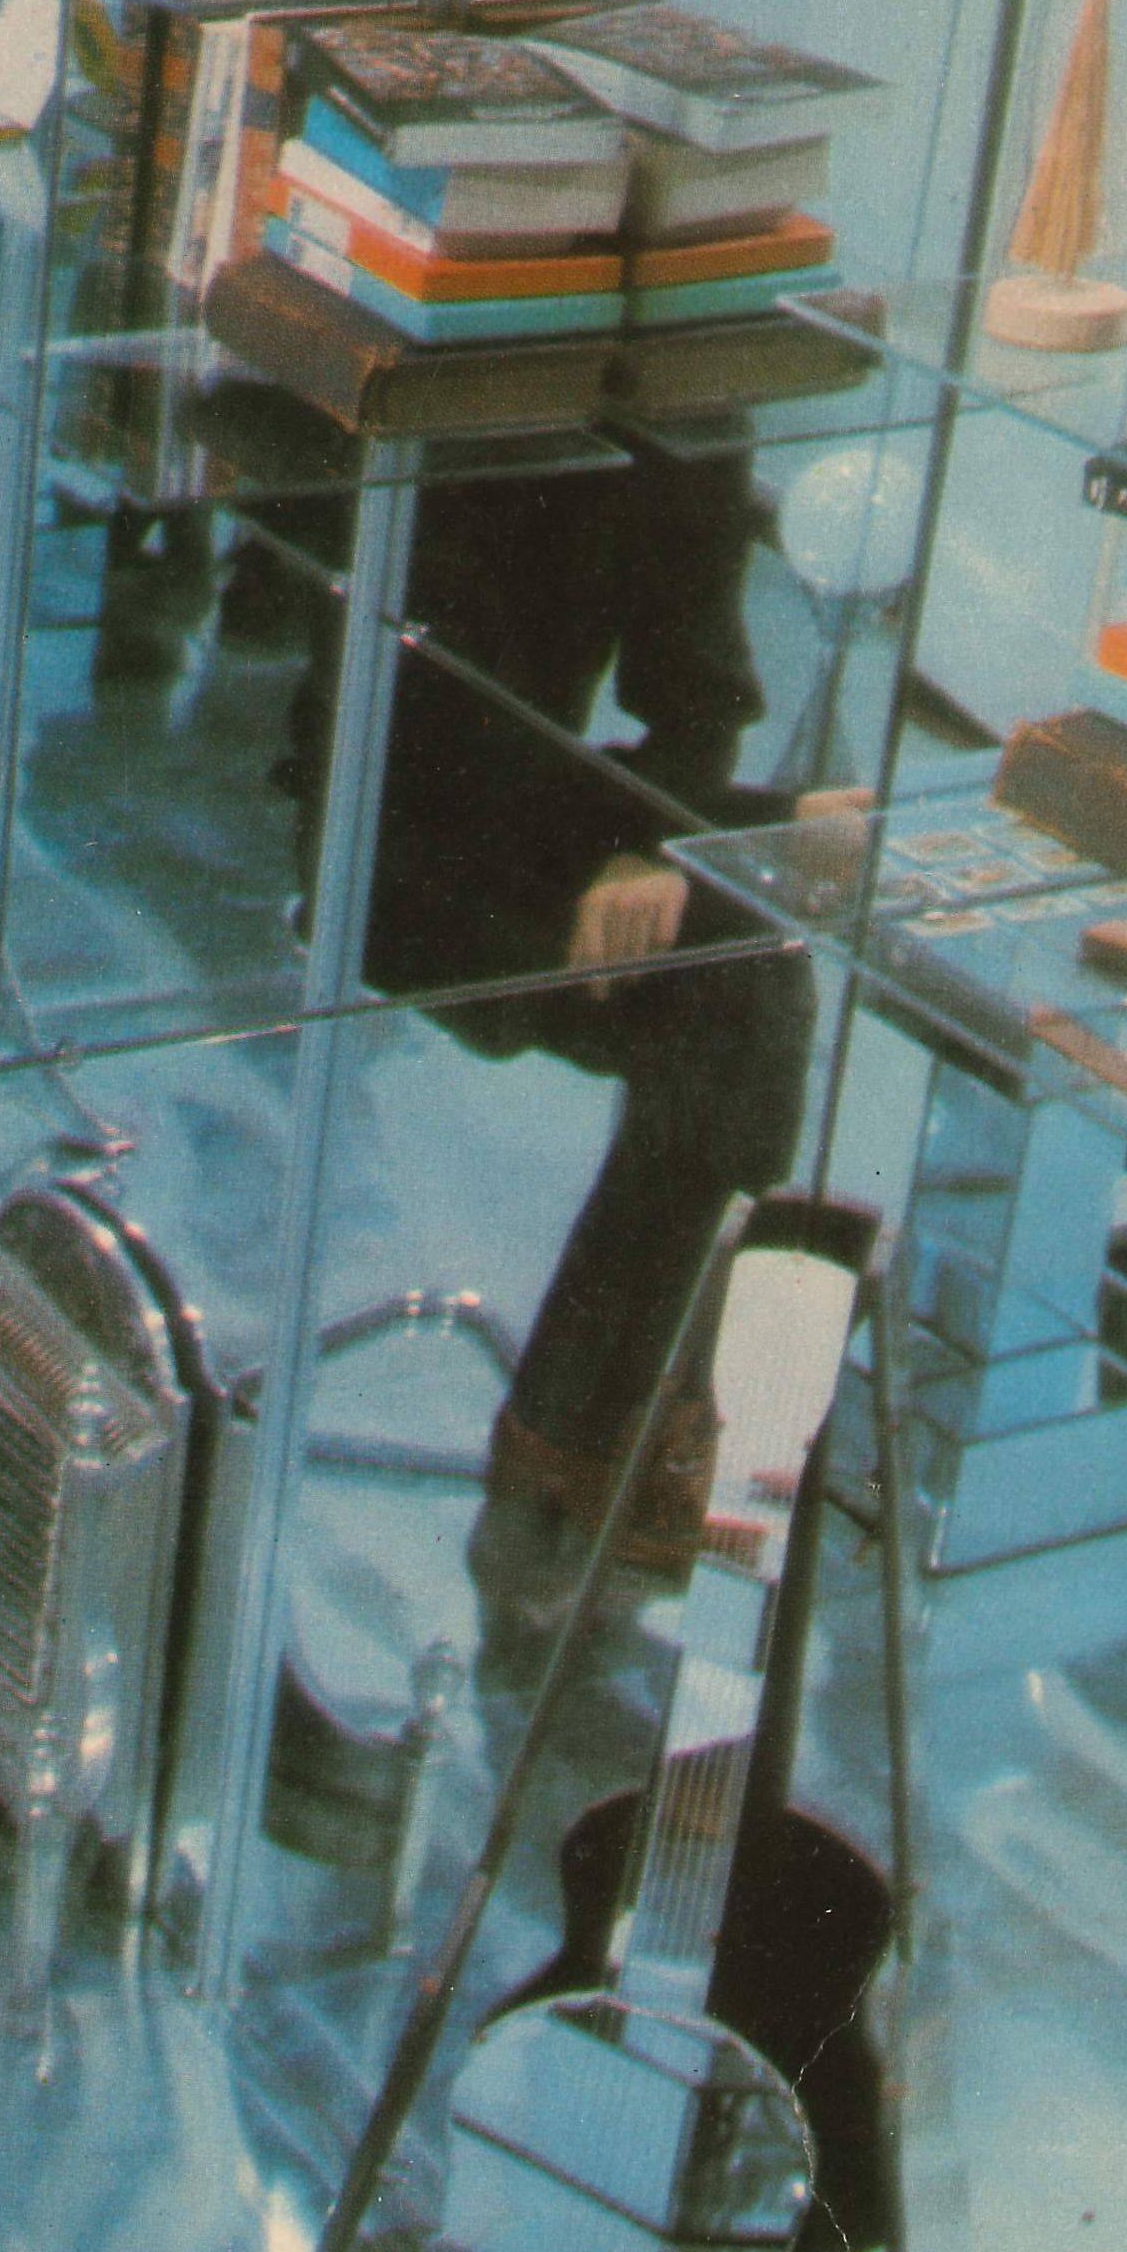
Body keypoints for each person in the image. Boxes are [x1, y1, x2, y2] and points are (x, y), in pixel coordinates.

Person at [244, 373, 816, 1658]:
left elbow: (696, 692)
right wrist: (658, 830)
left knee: (754, 964)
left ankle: (584, 1461)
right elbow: (405, 701)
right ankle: (602, 1459)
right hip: (389, 833)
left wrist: (656, 840)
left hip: (548, 806)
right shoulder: (437, 373)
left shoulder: (678, 399)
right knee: (745, 988)